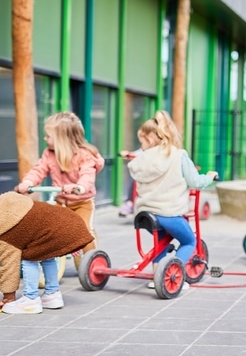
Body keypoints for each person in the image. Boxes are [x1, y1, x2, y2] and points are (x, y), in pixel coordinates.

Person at [127, 110, 218, 287]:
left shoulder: (143, 159)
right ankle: (175, 274)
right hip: (169, 213)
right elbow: (195, 182)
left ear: (151, 140)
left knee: (160, 243)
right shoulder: (178, 155)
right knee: (189, 240)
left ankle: (157, 277)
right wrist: (209, 176)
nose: (142, 146)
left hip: (145, 215)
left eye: (142, 142)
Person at [15, 111, 105, 261]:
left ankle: (94, 261)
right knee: (48, 228)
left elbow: (87, 176)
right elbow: (39, 170)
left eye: (49, 136)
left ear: (62, 139)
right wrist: (28, 183)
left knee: (83, 231)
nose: (45, 138)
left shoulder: (84, 155)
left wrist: (79, 187)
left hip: (81, 203)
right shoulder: (49, 153)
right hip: (60, 201)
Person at [0, 191, 94, 314]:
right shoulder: (9, 204)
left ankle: (30, 299)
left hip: (58, 228)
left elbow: (9, 266)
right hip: (71, 222)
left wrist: (8, 298)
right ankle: (52, 294)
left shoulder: (5, 232)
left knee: (28, 258)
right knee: (47, 257)